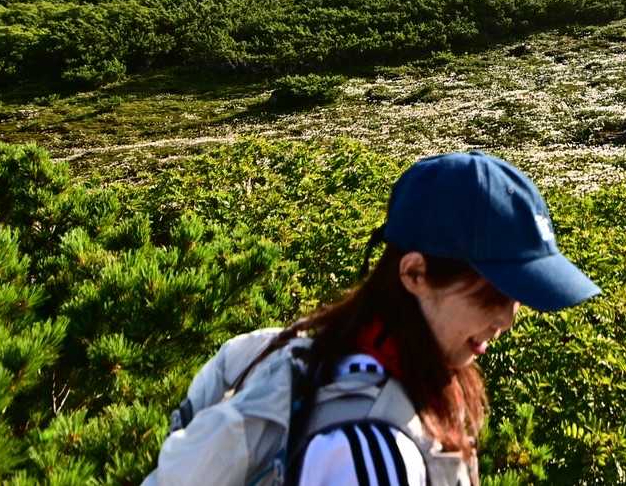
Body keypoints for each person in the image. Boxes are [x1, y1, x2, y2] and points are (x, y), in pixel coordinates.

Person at [144, 150, 600, 486]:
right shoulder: (368, 450)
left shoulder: (305, 351)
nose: (507, 318)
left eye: (518, 296)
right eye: (493, 294)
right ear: (415, 273)